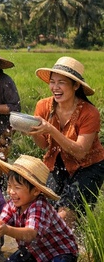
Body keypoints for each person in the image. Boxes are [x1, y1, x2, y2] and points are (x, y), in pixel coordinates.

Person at [29, 56, 104, 229]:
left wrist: (51, 130)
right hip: (58, 164)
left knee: (64, 215)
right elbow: (43, 145)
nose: (55, 88)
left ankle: (74, 249)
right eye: (52, 82)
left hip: (89, 166)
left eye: (61, 82)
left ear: (75, 86)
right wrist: (31, 131)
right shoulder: (43, 106)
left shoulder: (89, 112)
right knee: (45, 209)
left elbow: (80, 152)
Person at [0, 155, 79, 262]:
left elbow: (30, 234)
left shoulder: (39, 206)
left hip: (60, 251)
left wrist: (7, 230)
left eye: (17, 187)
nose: (11, 192)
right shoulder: (12, 205)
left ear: (36, 191)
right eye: (9, 186)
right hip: (35, 250)